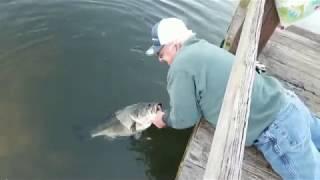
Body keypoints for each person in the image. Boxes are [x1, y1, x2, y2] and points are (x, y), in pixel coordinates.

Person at [145, 17, 320, 179]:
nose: (160, 59)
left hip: (277, 130)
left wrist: (164, 119)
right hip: (286, 102)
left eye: (160, 53)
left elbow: (184, 118)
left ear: (175, 46)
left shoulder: (180, 67)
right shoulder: (202, 46)